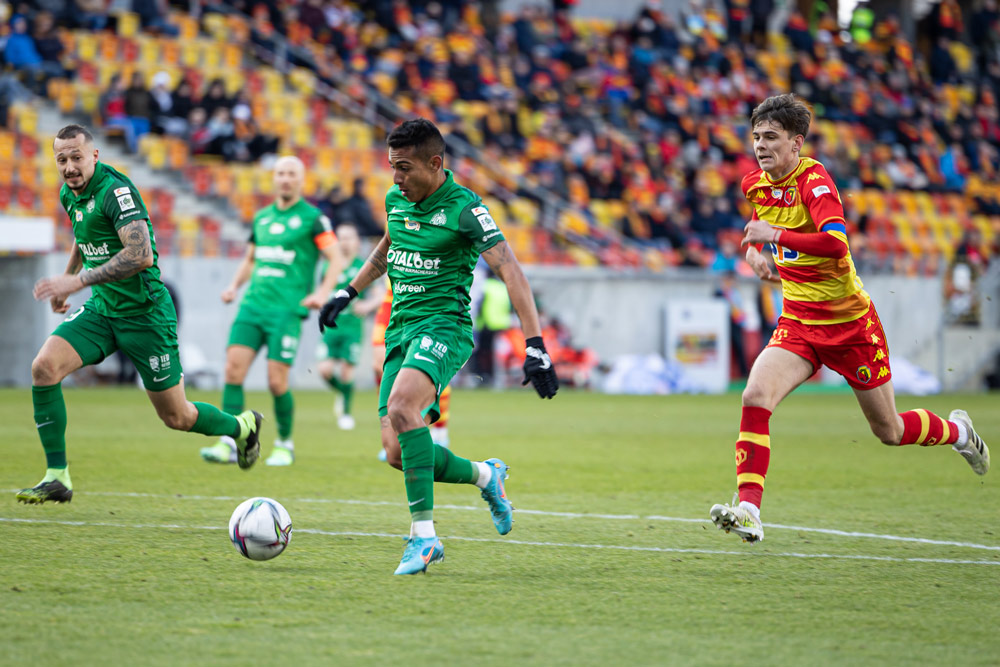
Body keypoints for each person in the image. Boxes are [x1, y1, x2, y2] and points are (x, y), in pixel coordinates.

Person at [709, 95, 990, 543]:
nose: (761, 146)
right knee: (755, 396)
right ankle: (748, 510)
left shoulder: (815, 181)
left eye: (771, 138)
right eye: (756, 137)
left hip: (850, 327)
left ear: (796, 143)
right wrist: (754, 251)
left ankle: (959, 433)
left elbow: (836, 243)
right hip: (799, 322)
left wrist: (775, 236)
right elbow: (759, 226)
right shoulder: (755, 184)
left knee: (890, 430)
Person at [318, 118, 558, 575]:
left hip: (444, 327)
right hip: (400, 331)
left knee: (404, 408)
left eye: (405, 168)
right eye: (391, 167)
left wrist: (535, 345)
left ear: (435, 163)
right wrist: (348, 292)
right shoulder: (395, 200)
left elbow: (512, 272)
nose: (396, 178)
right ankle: (487, 475)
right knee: (396, 451)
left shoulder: (466, 209)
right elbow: (387, 250)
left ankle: (424, 539)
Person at [20, 124, 264, 504]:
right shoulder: (71, 194)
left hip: (146, 314)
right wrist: (68, 278)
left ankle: (242, 425)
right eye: (61, 159)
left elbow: (140, 255)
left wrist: (77, 281)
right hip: (103, 310)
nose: (69, 167)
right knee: (44, 368)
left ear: (95, 156)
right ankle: (57, 477)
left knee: (176, 417)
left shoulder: (117, 192)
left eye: (76, 158)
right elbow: (83, 236)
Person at [200, 156, 341, 468]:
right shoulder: (262, 218)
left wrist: (321, 292)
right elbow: (251, 259)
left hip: (286, 311)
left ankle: (284, 444)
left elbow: (335, 258)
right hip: (252, 305)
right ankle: (228, 439)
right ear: (273, 179)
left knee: (277, 382)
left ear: (301, 180)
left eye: (292, 174)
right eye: (280, 174)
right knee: (232, 371)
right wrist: (234, 286)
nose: (286, 179)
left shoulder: (313, 219)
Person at [318, 222, 384, 430]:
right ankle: (342, 392)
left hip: (353, 328)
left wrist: (367, 305)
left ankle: (345, 413)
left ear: (357, 242)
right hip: (331, 328)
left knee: (347, 372)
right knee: (324, 370)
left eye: (349, 237)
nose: (344, 242)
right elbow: (323, 291)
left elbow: (379, 296)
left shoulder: (361, 268)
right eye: (341, 237)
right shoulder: (329, 266)